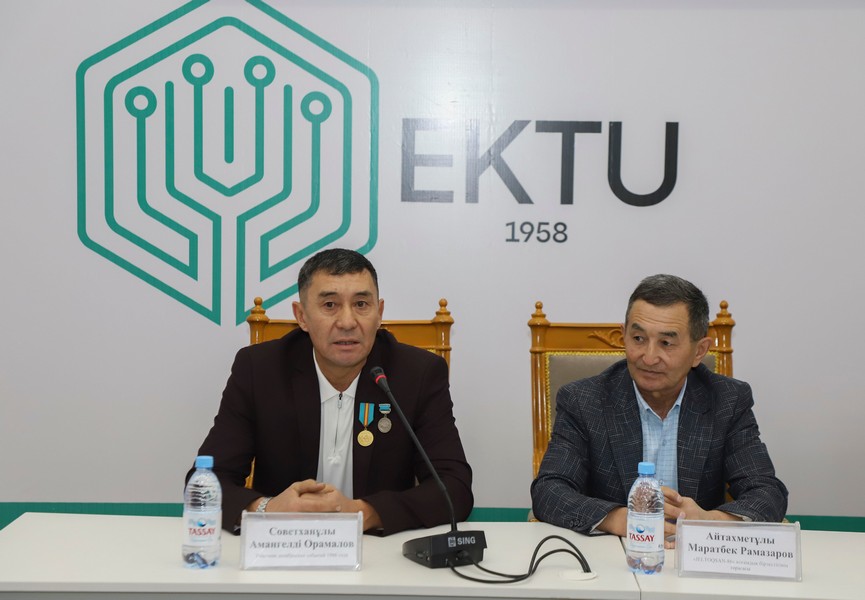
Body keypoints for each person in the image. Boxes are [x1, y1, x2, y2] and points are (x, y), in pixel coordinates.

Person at [189, 249, 473, 535]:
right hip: (282, 546)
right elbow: (204, 483)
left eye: (361, 304)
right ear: (301, 316)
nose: (347, 322)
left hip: (378, 550)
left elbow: (454, 488)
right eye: (329, 305)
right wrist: (267, 509)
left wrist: (364, 513)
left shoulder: (417, 373)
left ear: (379, 314)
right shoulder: (260, 370)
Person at [530, 274, 787, 545]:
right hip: (613, 553)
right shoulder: (584, 401)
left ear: (699, 351)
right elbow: (549, 491)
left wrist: (708, 521)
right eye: (638, 338)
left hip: (696, 555)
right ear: (624, 336)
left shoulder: (727, 401)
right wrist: (621, 519)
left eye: (666, 343)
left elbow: (767, 493)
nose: (649, 357)